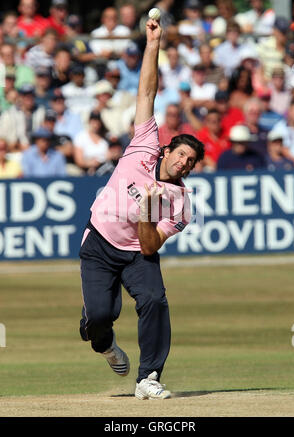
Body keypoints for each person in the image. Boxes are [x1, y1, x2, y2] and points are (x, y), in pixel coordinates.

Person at [79, 17, 204, 400]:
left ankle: (148, 377)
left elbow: (149, 248)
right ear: (167, 150)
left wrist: (149, 213)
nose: (184, 163)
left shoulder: (181, 204)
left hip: (136, 255)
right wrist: (153, 45)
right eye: (181, 154)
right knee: (99, 319)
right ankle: (103, 344)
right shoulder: (145, 143)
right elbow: (147, 91)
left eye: (191, 162)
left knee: (154, 299)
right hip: (99, 242)